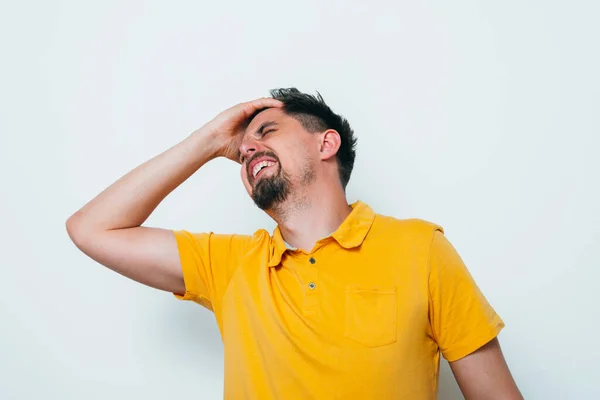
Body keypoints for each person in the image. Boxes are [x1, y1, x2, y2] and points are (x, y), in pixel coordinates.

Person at [66, 88, 522, 399]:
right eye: (241, 149)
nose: (246, 150)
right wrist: (207, 141)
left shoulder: (420, 249)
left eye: (266, 133)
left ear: (326, 144)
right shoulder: (228, 265)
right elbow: (91, 229)